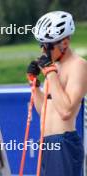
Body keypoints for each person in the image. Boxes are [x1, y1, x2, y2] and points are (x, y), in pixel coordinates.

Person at [27, 11, 87, 176]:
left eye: (47, 46)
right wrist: (34, 85)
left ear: (65, 43)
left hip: (64, 142)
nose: (43, 51)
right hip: (47, 141)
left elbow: (66, 112)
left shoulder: (79, 66)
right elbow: (44, 111)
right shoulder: (54, 67)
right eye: (41, 45)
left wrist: (50, 74)